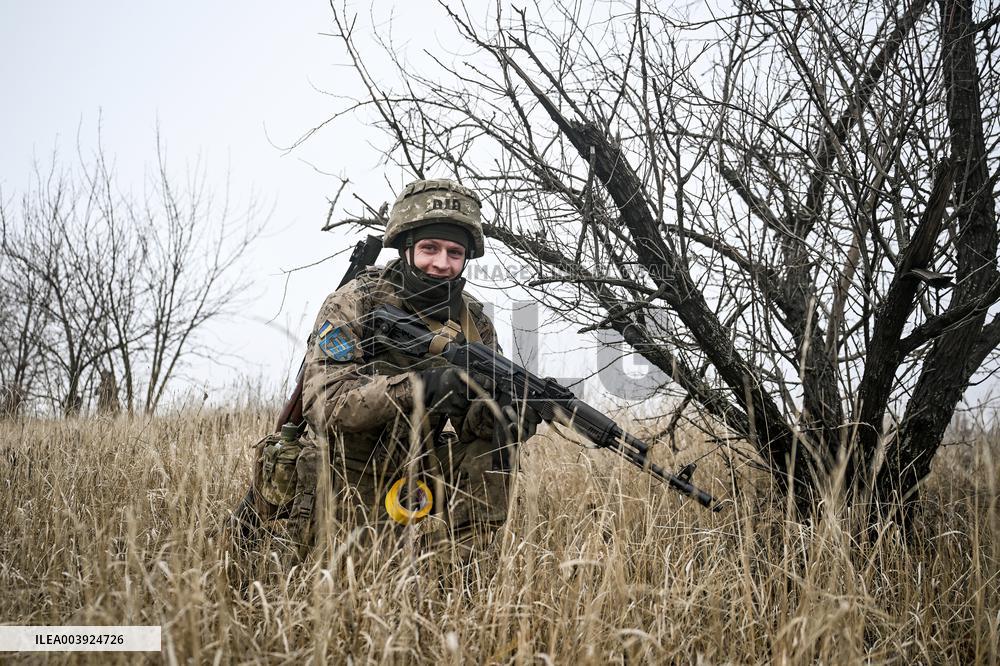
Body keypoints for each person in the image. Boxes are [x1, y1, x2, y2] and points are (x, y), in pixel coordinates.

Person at [229, 178, 540, 567]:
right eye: (429, 248)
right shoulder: (353, 302)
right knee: (349, 578)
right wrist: (422, 387)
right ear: (406, 248)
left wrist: (503, 419)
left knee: (493, 450)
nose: (442, 263)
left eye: (454, 252)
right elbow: (327, 406)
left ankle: (453, 575)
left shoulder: (473, 322)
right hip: (346, 469)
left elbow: (472, 425)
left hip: (420, 465)